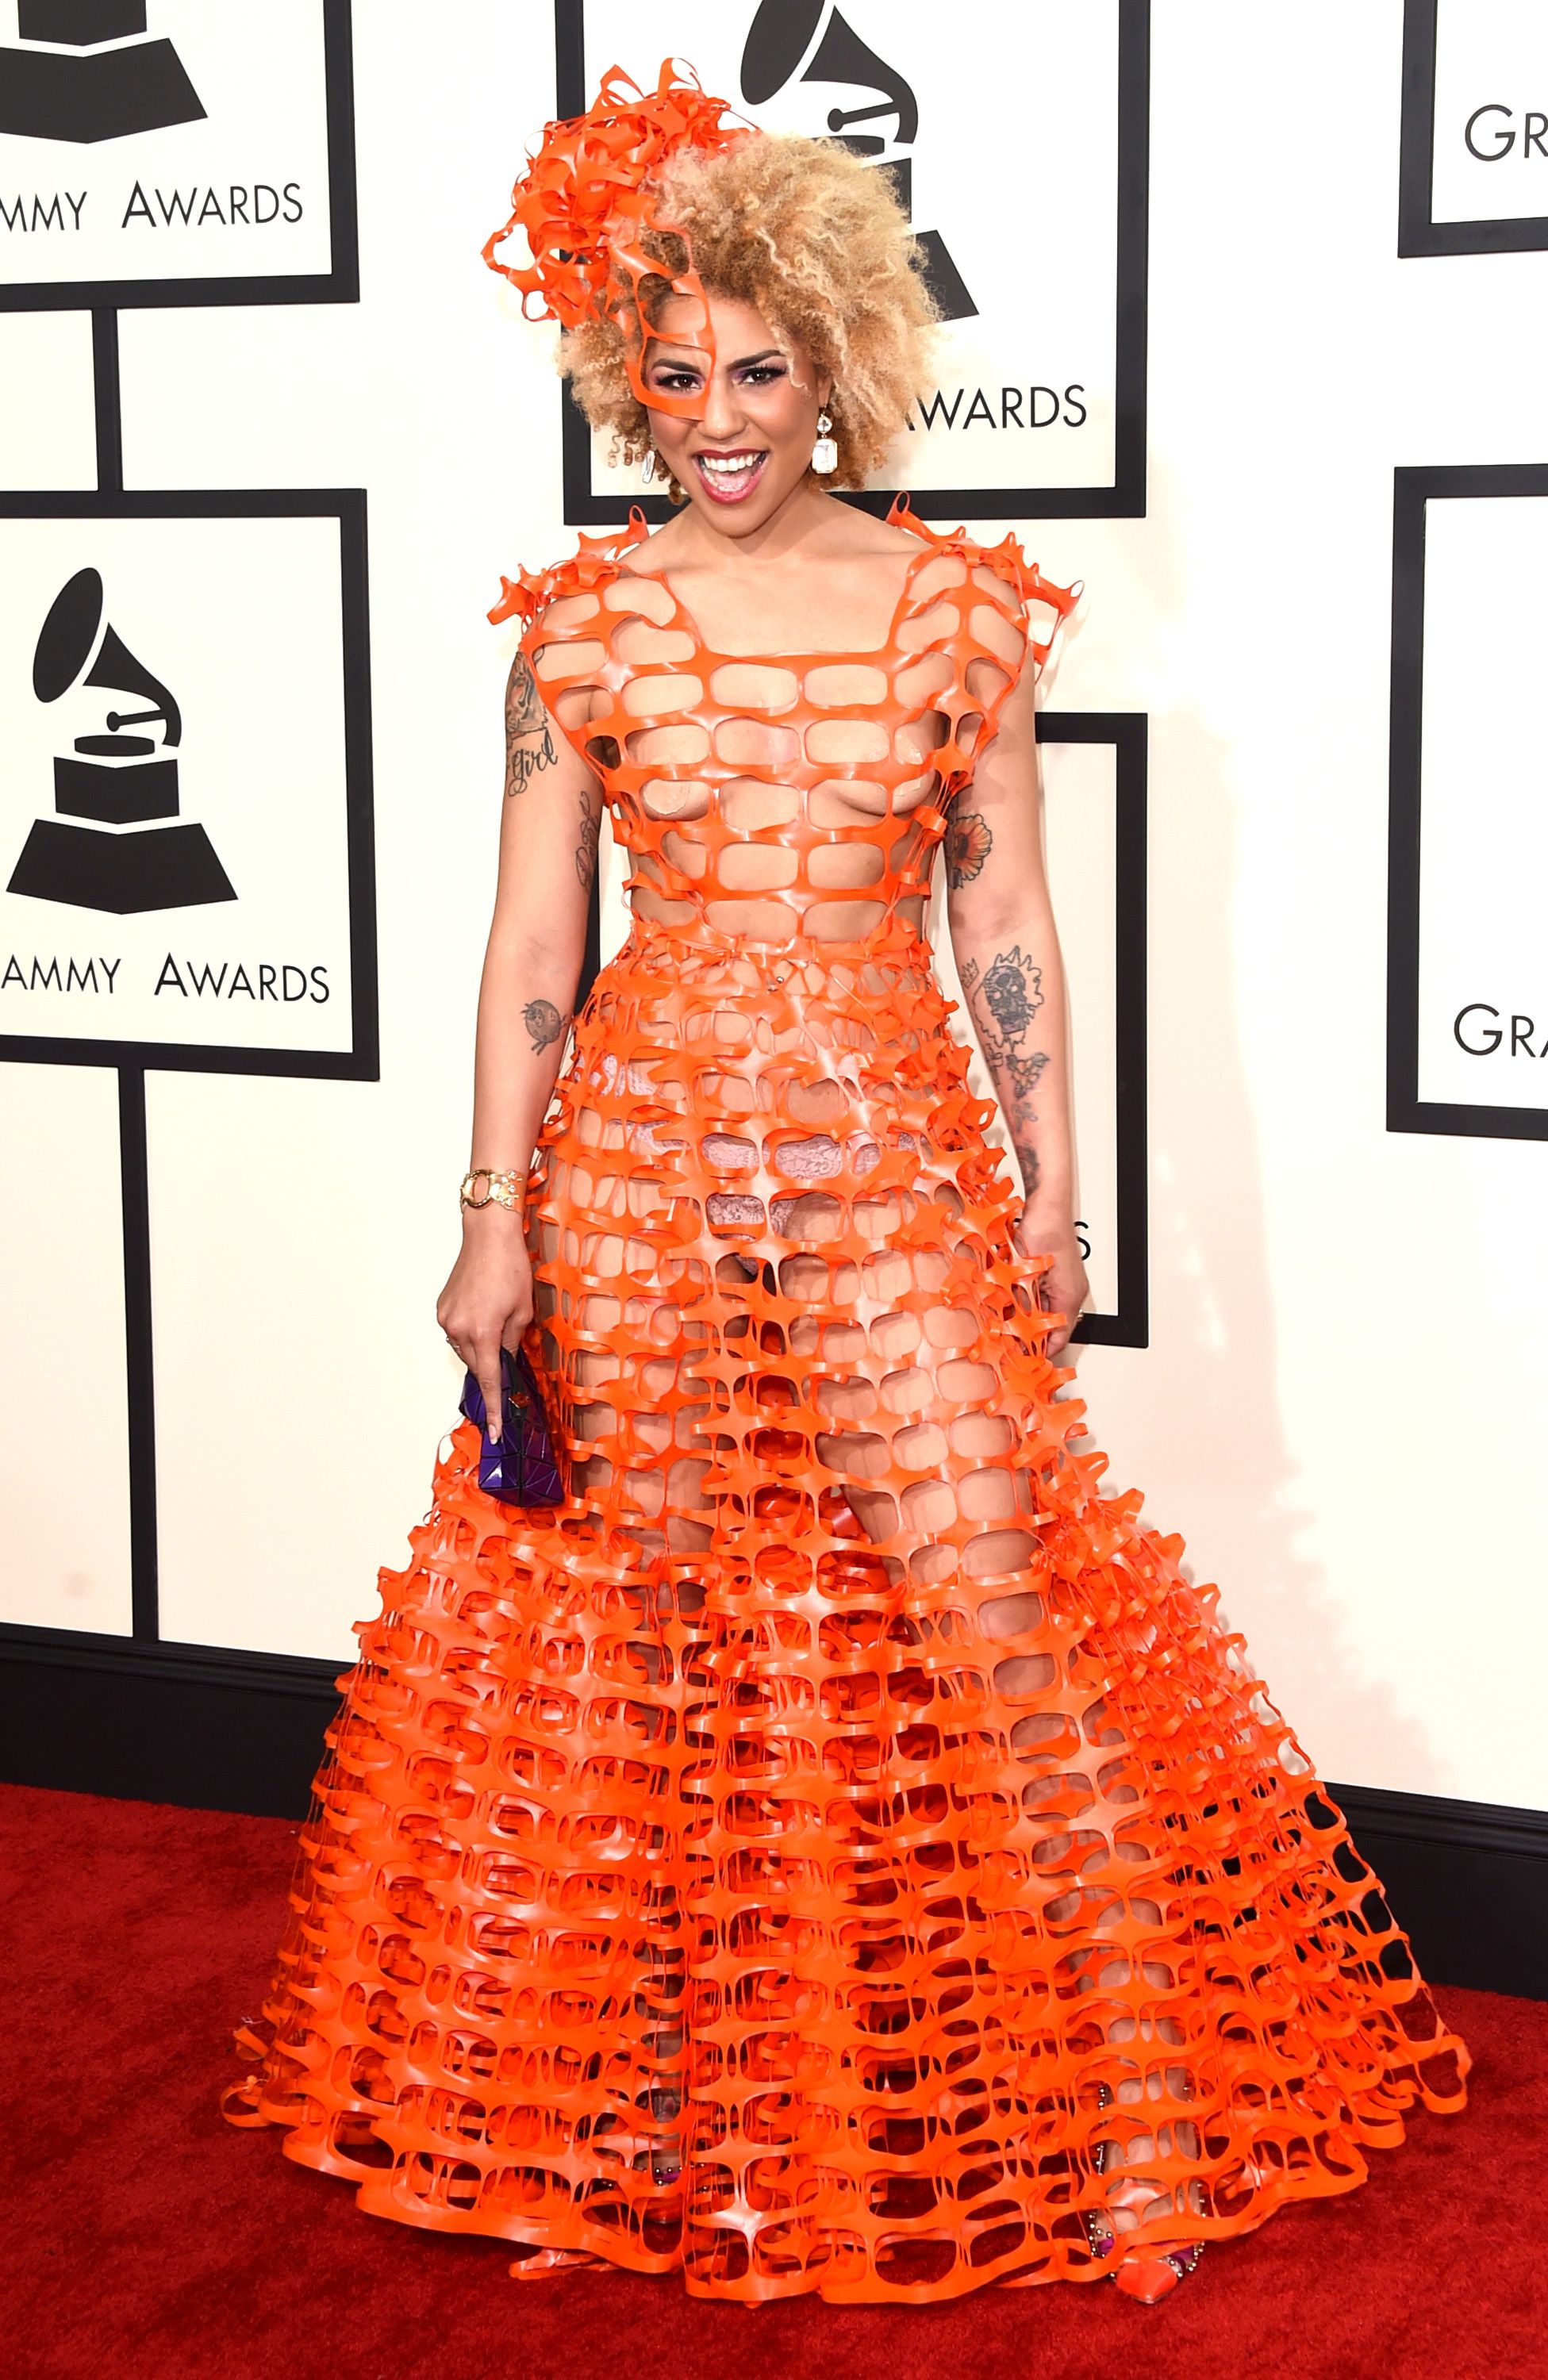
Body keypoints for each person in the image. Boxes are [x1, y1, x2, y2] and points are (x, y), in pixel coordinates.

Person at [226, 63, 1466, 2306]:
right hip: (635, 1168)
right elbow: (534, 941)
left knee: (994, 1618)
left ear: (842, 365)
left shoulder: (958, 619)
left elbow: (1006, 925)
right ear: (630, 378)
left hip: (888, 1148)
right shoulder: (582, 630)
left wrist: (1055, 1190)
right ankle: (661, 2113)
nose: (716, 413)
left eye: (760, 367)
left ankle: (1143, 2108)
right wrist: (491, 1211)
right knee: (655, 1640)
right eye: (675, 371)